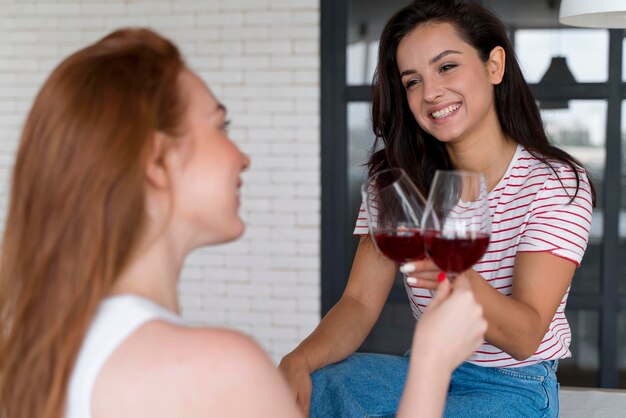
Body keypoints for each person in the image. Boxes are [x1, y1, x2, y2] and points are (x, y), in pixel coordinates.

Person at [0, 28, 486, 418]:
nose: (242, 156)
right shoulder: (219, 369)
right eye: (220, 126)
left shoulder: (38, 350)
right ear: (157, 161)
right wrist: (431, 364)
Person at [279, 0, 595, 417]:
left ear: (494, 65)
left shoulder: (552, 182)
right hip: (426, 365)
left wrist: (455, 275)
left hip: (515, 382)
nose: (430, 93)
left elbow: (526, 335)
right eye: (412, 81)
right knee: (308, 386)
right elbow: (358, 301)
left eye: (446, 67)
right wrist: (298, 360)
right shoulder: (394, 182)